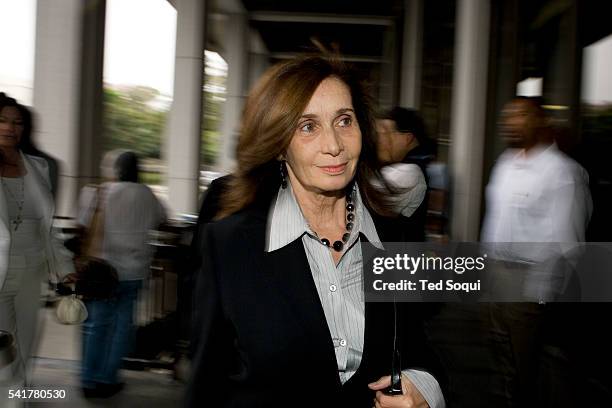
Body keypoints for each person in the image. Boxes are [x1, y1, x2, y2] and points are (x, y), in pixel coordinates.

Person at [186, 56, 445, 408]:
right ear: (279, 144)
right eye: (308, 126)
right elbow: (206, 387)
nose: (334, 144)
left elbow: (418, 348)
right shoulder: (229, 245)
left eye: (344, 120)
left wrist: (425, 389)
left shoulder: (393, 235)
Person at [481, 97, 592, 407]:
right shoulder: (506, 162)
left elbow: (567, 240)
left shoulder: (562, 172)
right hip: (497, 274)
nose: (510, 122)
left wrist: (539, 292)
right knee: (501, 357)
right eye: (508, 115)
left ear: (541, 121)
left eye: (520, 115)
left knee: (526, 366)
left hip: (528, 281)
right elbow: (496, 220)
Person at [77, 150, 166, 398]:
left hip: (103, 273)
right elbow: (163, 219)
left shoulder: (101, 192)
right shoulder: (148, 194)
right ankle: (108, 378)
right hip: (135, 271)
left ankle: (88, 380)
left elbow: (82, 224)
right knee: (121, 328)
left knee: (96, 326)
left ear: (116, 170)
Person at [0, 97, 74, 397]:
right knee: (4, 359)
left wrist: (65, 268)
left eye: (17, 122)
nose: (9, 127)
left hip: (32, 275)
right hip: (0, 275)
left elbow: (48, 228)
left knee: (25, 354)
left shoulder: (38, 167)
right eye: (3, 120)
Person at [377, 108, 435, 241]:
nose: (381, 139)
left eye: (386, 132)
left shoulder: (411, 172)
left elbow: (363, 200)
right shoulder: (405, 166)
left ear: (407, 138)